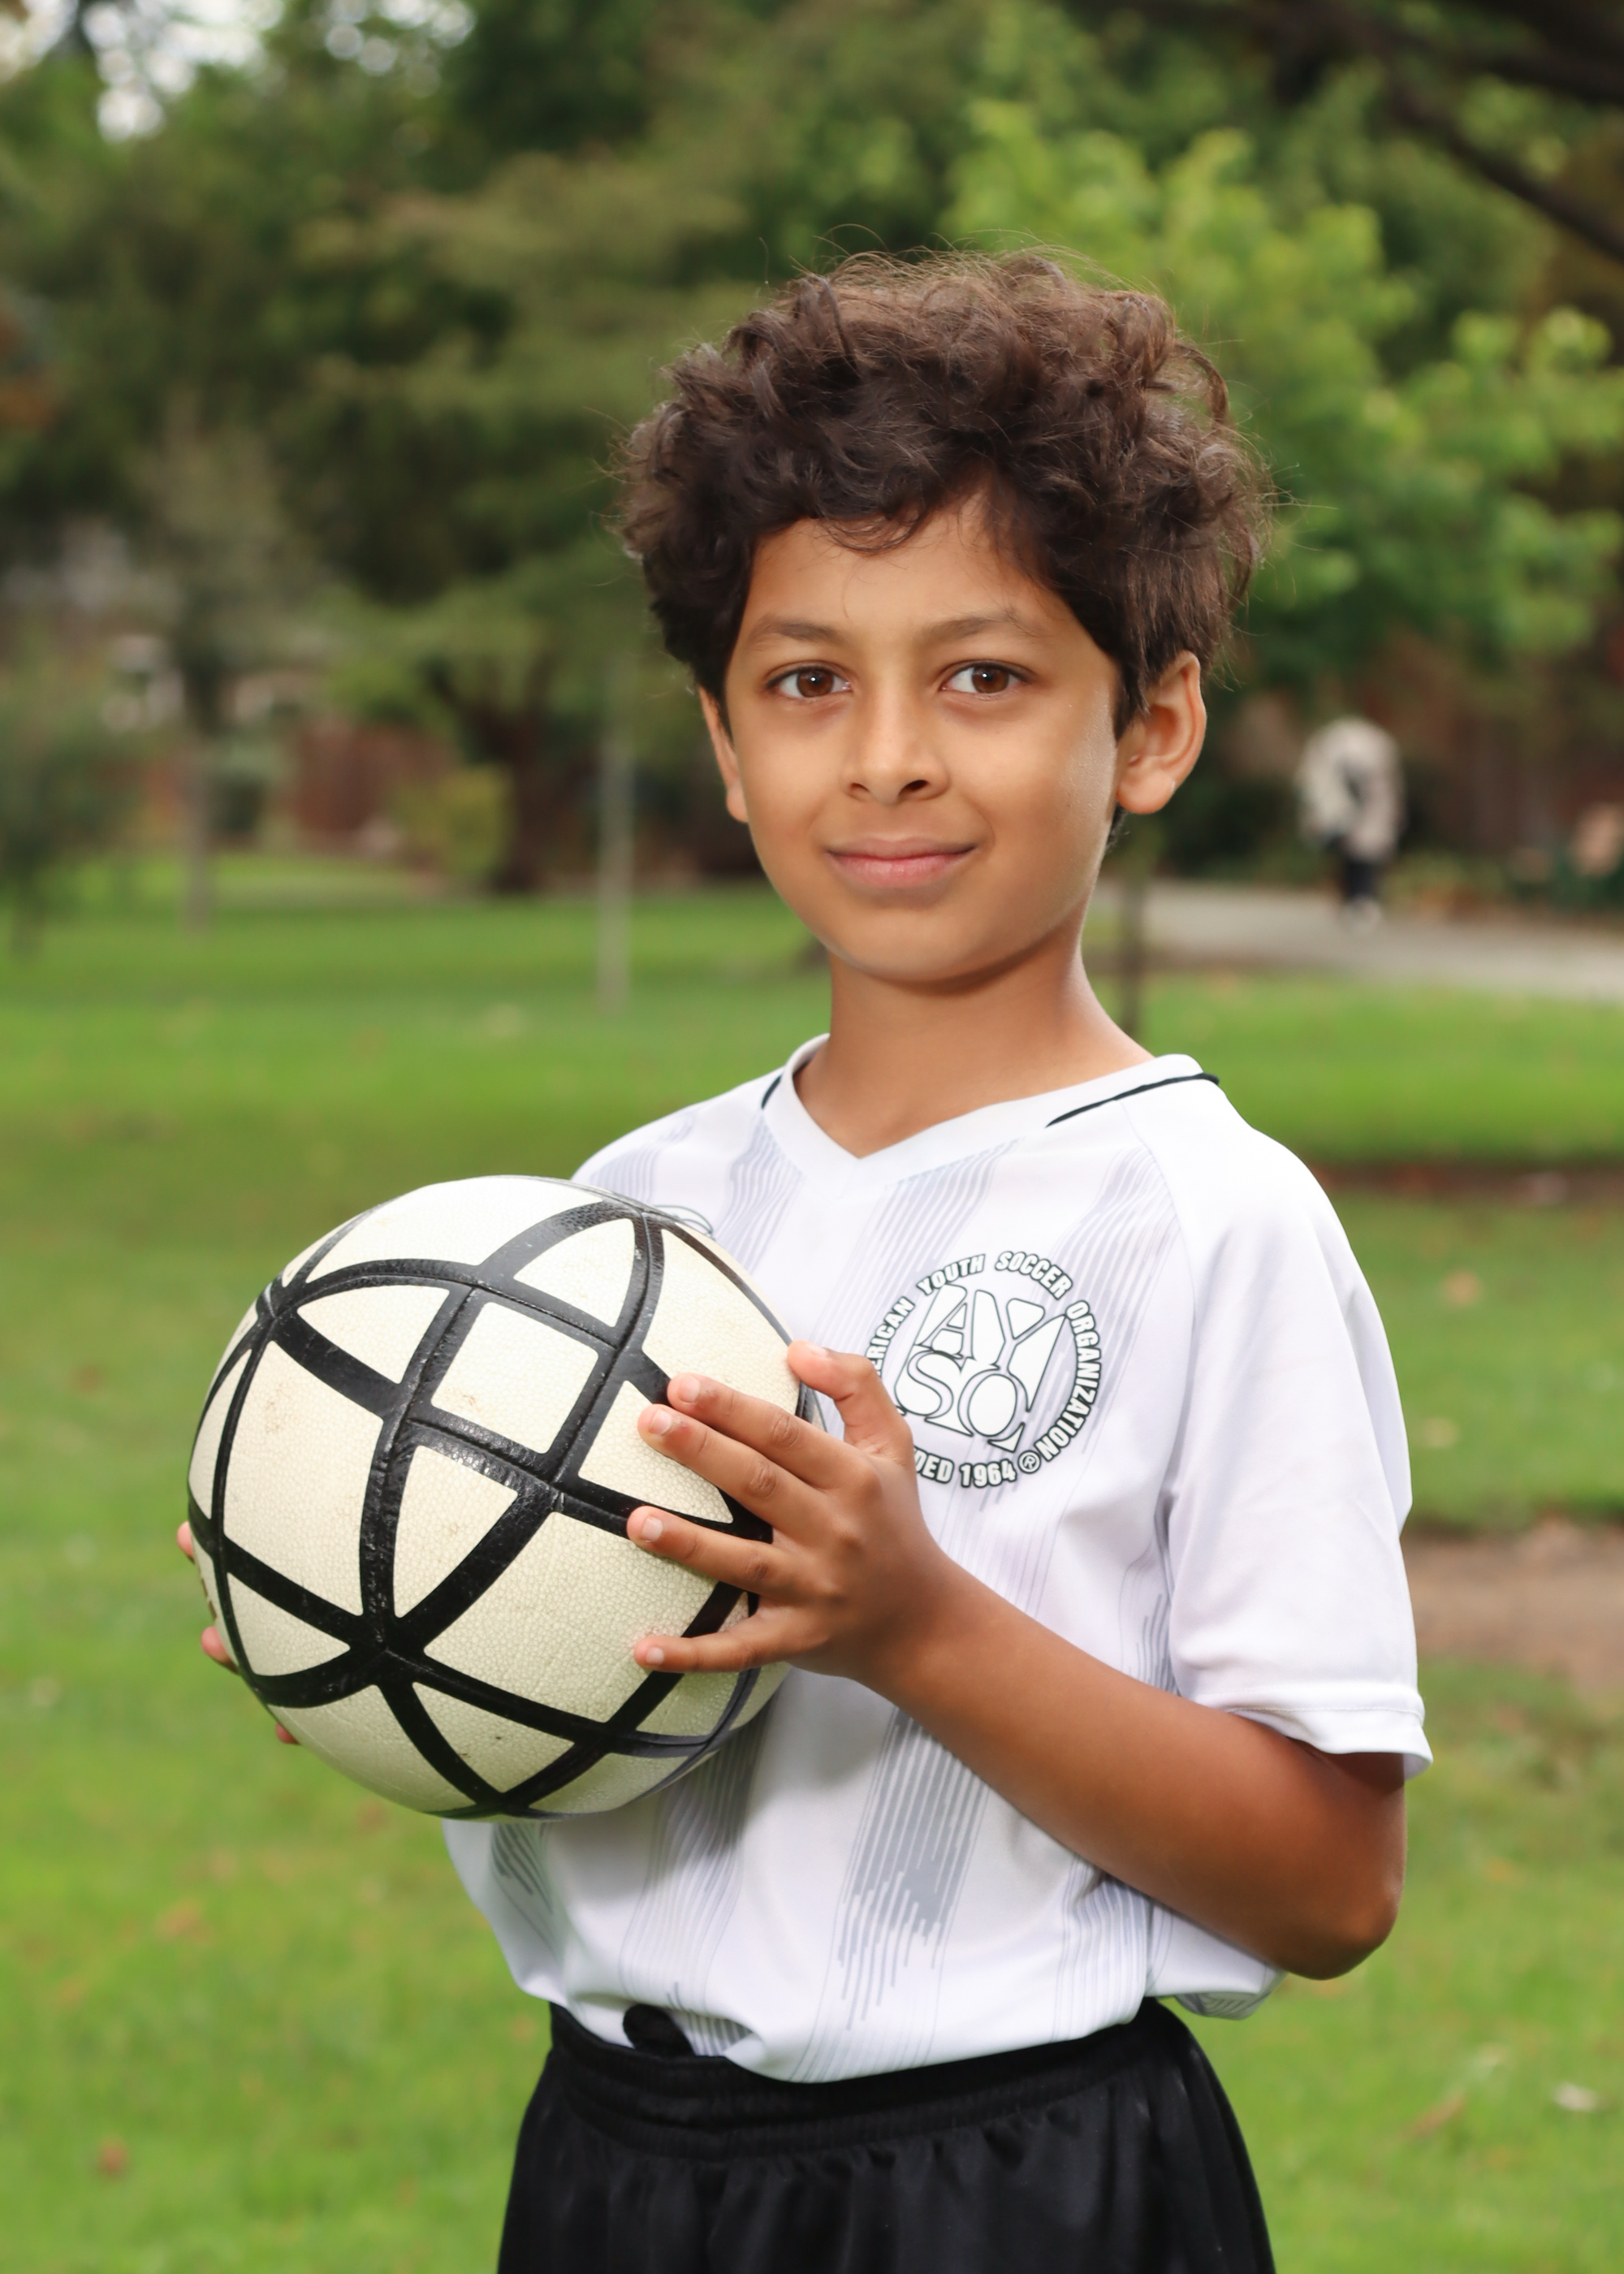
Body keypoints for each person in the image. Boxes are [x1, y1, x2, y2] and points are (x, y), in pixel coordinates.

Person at [183, 254, 1427, 2273]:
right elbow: (563, 1713)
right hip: (613, 2167)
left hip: (1016, 2185)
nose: (886, 757)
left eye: (983, 676)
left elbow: (1328, 1882)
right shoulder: (618, 1219)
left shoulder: (1213, 1221)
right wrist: (375, 1626)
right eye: (805, 682)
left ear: (1152, 727)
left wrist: (912, 1626)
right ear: (722, 740)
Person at [1295, 715, 1405, 921]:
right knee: (1350, 859)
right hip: (1347, 817)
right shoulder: (1337, 747)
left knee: (1365, 859)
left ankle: (1364, 899)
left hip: (1366, 818)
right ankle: (1354, 900)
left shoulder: (1369, 750)